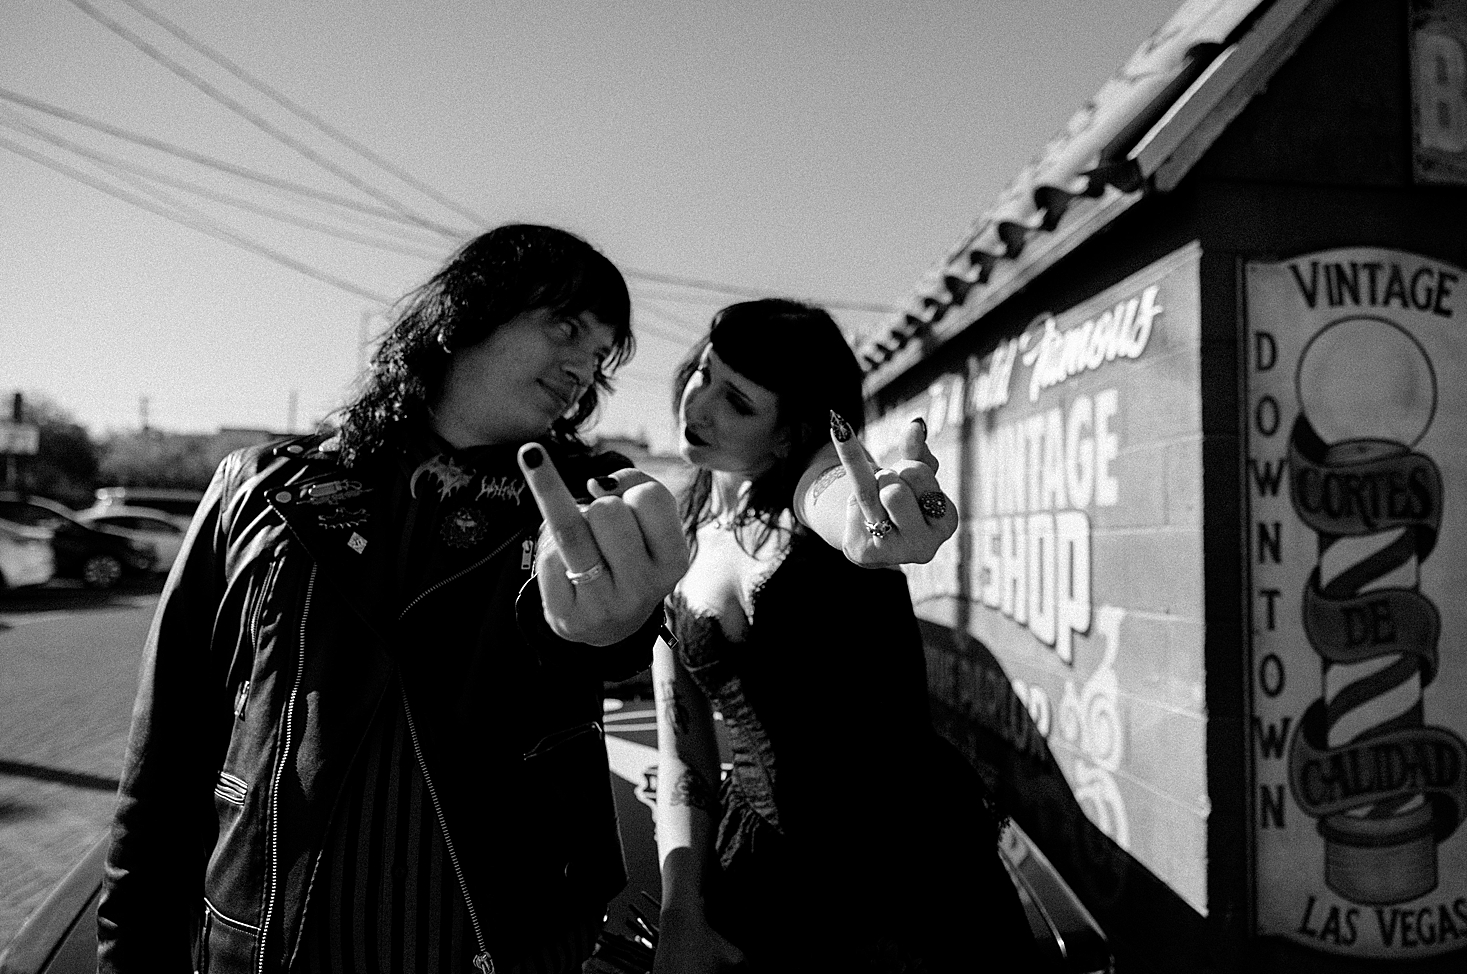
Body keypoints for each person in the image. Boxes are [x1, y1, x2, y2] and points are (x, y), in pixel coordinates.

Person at [97, 223, 690, 974]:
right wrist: (129, 954)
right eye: (566, 325)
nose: (584, 365)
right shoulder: (263, 487)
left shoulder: (580, 503)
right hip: (262, 938)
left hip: (499, 943)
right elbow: (169, 747)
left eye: (601, 352)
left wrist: (617, 625)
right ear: (464, 314)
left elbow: (618, 639)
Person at [651, 300, 1036, 972]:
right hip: (761, 883)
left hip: (913, 889)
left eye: (737, 402)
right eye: (703, 374)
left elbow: (839, 502)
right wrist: (679, 910)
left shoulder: (812, 494)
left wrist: (877, 521)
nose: (700, 404)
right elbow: (683, 750)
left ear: (788, 434)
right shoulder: (678, 537)